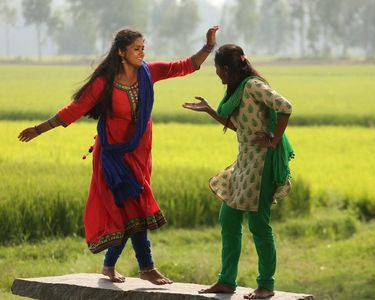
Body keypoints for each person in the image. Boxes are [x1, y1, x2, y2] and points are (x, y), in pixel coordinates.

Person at [18, 26, 219, 285]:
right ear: (122, 52)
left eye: (143, 47)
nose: (142, 52)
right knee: (131, 204)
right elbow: (75, 109)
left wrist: (208, 47)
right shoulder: (104, 83)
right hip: (113, 154)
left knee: (130, 207)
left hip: (140, 150)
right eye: (137, 49)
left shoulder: (149, 72)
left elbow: (184, 66)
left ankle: (111, 266)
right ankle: (145, 267)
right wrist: (38, 129)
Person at [183, 44, 294, 299]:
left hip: (264, 161)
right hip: (245, 160)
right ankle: (226, 281)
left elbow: (285, 106)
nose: (217, 74)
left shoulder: (253, 85)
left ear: (226, 69)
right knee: (229, 218)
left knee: (258, 223)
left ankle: (266, 285)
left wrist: (274, 140)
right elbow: (239, 128)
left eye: (217, 69)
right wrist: (211, 110)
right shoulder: (238, 89)